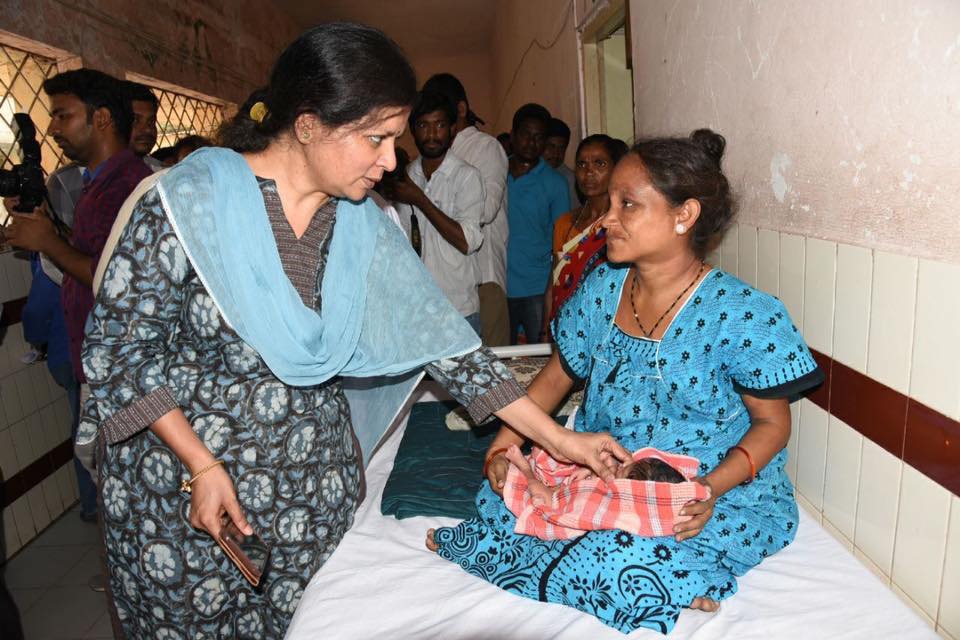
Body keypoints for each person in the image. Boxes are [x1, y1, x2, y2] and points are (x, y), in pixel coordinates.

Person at [76, 23, 630, 639]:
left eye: (394, 139)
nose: (391, 160)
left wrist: (561, 440)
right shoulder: (186, 204)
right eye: (377, 138)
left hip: (312, 504)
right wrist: (201, 465)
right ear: (308, 122)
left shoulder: (361, 225)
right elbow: (118, 354)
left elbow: (452, 352)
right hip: (189, 507)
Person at [429, 129, 825, 635]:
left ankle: (674, 573)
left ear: (685, 215)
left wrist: (709, 489)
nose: (607, 218)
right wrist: (504, 451)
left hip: (700, 491)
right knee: (500, 500)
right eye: (609, 201)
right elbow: (552, 383)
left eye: (627, 204)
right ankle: (662, 573)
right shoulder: (601, 290)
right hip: (602, 469)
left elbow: (772, 424)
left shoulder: (744, 314)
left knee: (623, 561)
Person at [4, 68, 151, 520]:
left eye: (63, 115)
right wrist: (46, 233)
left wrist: (49, 244)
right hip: (98, 359)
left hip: (120, 368)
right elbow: (93, 253)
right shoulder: (98, 183)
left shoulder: (124, 187)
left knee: (125, 491)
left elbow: (115, 277)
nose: (52, 129)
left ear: (101, 118)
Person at [422, 73, 510, 346]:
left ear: (459, 110)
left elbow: (485, 211)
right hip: (444, 286)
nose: (432, 132)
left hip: (483, 277)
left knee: (490, 371)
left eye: (440, 119)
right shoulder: (427, 160)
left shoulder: (485, 148)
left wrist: (452, 184)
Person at [385, 90, 484, 332]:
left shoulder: (467, 176)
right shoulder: (405, 176)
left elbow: (467, 242)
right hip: (415, 308)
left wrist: (420, 200)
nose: (431, 134)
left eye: (439, 125)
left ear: (452, 130)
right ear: (412, 130)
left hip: (458, 309)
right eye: (423, 126)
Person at [545, 134, 628, 325]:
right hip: (564, 325)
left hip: (607, 326)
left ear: (616, 169)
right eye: (582, 164)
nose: (589, 172)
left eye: (599, 164)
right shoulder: (564, 224)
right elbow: (554, 284)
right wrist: (546, 333)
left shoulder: (621, 223)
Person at [505, 103, 570, 344]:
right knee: (501, 361)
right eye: (525, 134)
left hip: (536, 287)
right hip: (500, 284)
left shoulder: (556, 184)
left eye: (538, 137)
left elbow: (562, 245)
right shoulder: (496, 174)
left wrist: (553, 291)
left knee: (536, 358)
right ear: (512, 136)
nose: (531, 143)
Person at [123, 80, 162, 171]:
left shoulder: (163, 174)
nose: (148, 129)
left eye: (151, 121)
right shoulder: (88, 177)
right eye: (135, 120)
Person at [543, 117, 578, 206]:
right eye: (551, 146)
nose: (556, 153)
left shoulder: (571, 180)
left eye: (561, 148)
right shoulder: (527, 175)